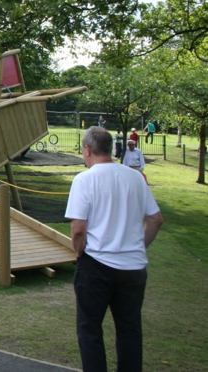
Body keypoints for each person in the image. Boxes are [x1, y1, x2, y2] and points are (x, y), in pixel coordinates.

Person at [65, 127, 163, 371]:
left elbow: (78, 229)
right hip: (133, 267)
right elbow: (155, 219)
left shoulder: (84, 179)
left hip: (97, 265)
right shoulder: (135, 178)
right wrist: (138, 246)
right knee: (129, 329)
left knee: (89, 329)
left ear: (88, 150)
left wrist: (78, 253)